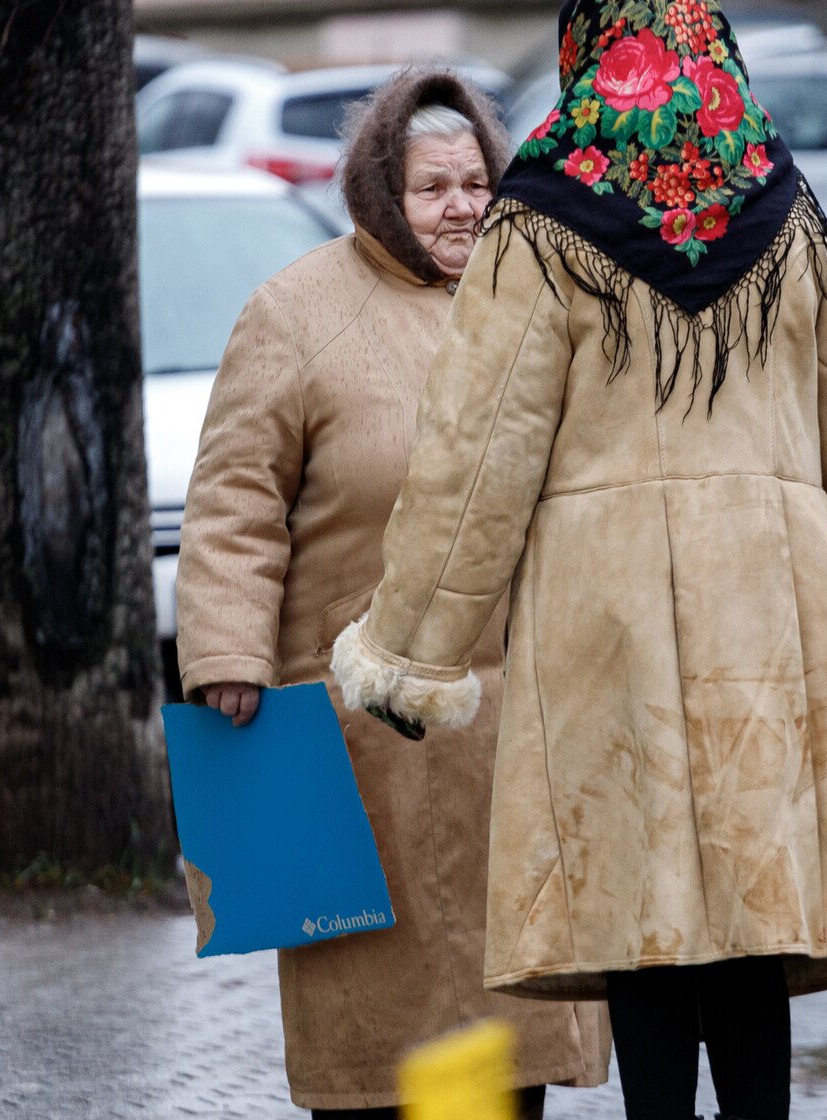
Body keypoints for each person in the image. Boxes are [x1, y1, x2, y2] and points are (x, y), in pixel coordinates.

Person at [331, 0, 827, 1120]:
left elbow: (475, 457)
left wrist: (413, 650)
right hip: (768, 607)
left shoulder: (538, 222)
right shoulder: (786, 213)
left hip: (603, 619)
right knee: (748, 911)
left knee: (638, 916)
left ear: (583, 59)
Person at [174, 68, 610, 1120]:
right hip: (357, 745)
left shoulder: (532, 298)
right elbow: (234, 499)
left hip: (513, 736)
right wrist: (227, 653)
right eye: (432, 188)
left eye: (474, 182)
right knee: (376, 1039)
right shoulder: (295, 312)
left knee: (505, 1035)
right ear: (380, 192)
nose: (461, 207)